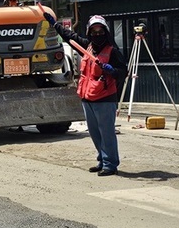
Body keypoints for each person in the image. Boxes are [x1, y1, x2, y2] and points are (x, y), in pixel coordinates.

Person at [44, 11, 127, 176]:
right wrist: (55, 25)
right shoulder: (87, 47)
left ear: (106, 32)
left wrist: (112, 70)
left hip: (105, 98)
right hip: (87, 97)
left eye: (100, 31)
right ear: (89, 33)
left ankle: (110, 164)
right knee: (95, 132)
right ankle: (102, 160)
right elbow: (70, 37)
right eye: (94, 32)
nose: (97, 34)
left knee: (107, 133)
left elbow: (123, 72)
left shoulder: (112, 51)